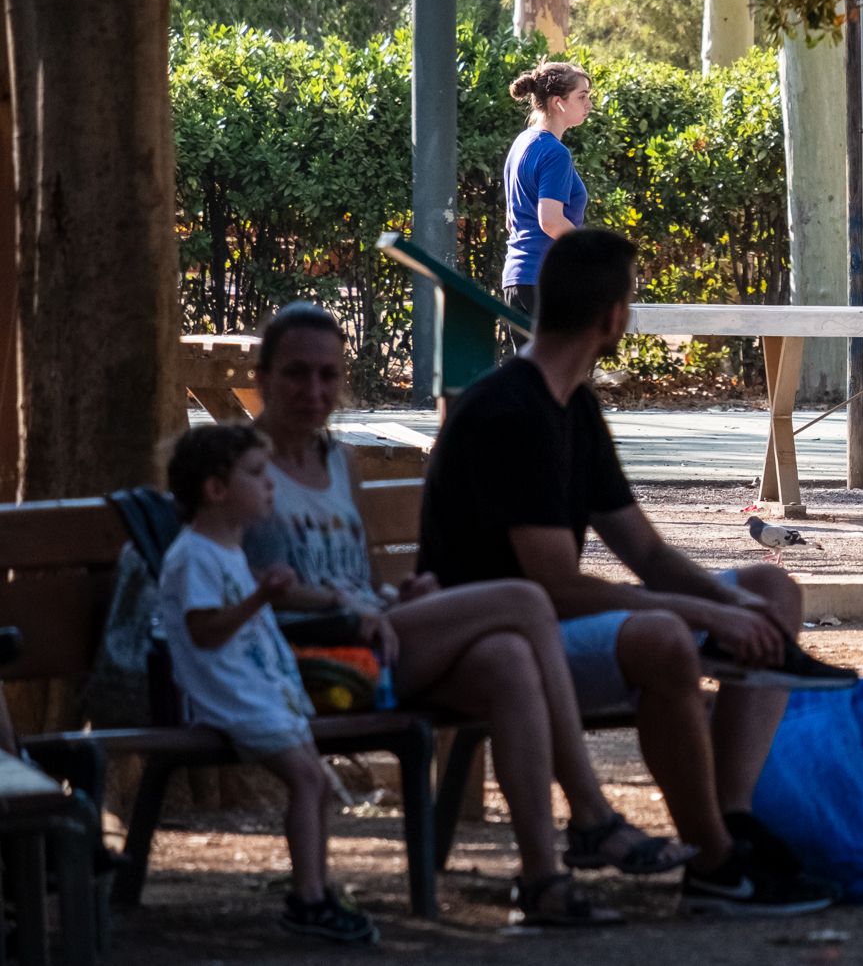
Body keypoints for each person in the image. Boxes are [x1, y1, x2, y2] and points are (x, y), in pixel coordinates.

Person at [418, 228, 853, 916]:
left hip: (558, 625)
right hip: (501, 643)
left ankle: (730, 821)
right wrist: (710, 614)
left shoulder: (575, 406)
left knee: (771, 589)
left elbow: (644, 552)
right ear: (612, 317)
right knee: (663, 636)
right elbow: (554, 586)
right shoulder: (510, 411)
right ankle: (715, 860)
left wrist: (733, 606)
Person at [245, 302, 681, 928]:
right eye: (295, 374)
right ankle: (591, 815)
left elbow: (360, 578)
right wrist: (344, 605)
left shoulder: (337, 461)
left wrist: (402, 598)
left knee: (508, 659)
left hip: (371, 646)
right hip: (295, 658)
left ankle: (543, 881)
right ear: (261, 377)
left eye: (327, 376)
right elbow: (237, 583)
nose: (313, 392)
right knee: (527, 599)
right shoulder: (237, 464)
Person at [160, 422, 376, 943]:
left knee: (317, 781)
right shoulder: (193, 556)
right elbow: (204, 631)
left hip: (264, 691)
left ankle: (319, 888)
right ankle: (307, 898)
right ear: (215, 490)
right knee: (308, 781)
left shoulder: (228, 549)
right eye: (257, 475)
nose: (271, 485)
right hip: (232, 697)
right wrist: (261, 598)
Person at [502, 60, 594, 315]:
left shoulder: (521, 143)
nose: (588, 104)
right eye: (582, 97)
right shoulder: (555, 153)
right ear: (558, 102)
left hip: (516, 280)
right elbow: (551, 221)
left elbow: (511, 222)